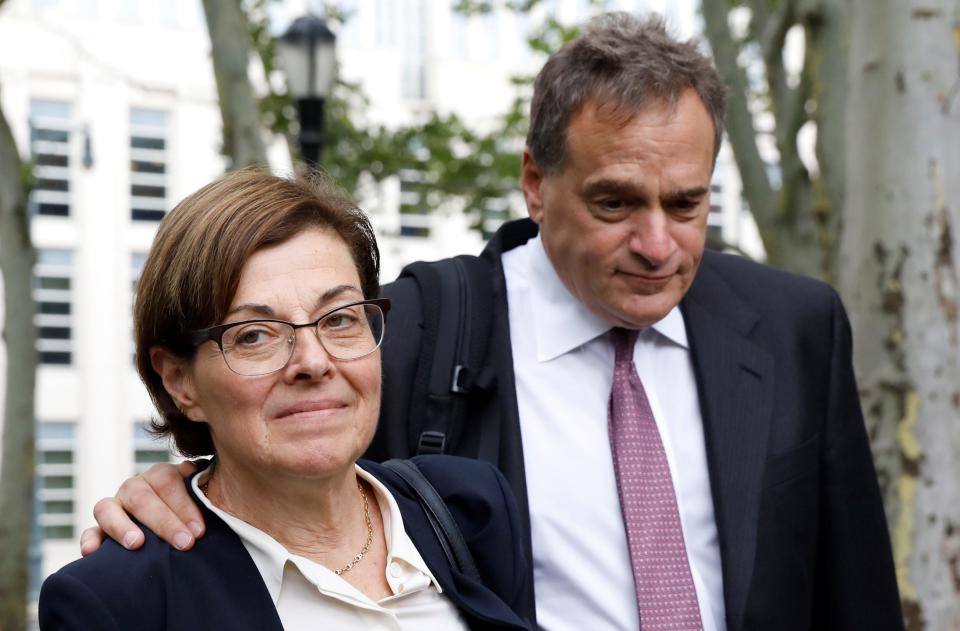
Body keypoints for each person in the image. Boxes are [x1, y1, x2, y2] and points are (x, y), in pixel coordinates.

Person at [82, 13, 903, 631]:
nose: (658, 244)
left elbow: (854, 589)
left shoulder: (796, 325)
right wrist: (183, 482)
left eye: (686, 203)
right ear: (536, 182)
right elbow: (288, 447)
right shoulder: (412, 327)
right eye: (615, 201)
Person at [40, 168, 533, 630]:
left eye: (340, 318)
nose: (313, 362)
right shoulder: (120, 603)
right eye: (255, 335)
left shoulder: (470, 509)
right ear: (179, 382)